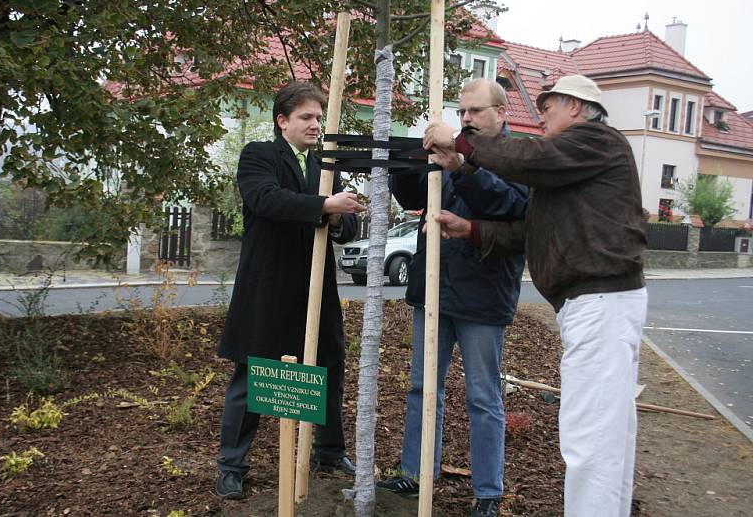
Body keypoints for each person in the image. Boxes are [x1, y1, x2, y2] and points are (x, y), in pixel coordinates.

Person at [423, 74, 648, 517]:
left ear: (577, 108)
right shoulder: (575, 166)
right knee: (608, 434)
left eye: (548, 108)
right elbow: (532, 231)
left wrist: (460, 141)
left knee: (590, 438)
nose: (541, 117)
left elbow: (528, 156)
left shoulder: (593, 142)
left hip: (599, 304)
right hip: (597, 303)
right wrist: (470, 228)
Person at [378, 79, 528, 517]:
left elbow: (505, 206)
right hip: (435, 286)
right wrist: (407, 161)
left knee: (483, 395)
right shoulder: (451, 153)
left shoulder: (515, 158)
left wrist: (461, 163)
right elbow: (416, 199)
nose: (466, 119)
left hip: (482, 294)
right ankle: (417, 470)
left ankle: (487, 492)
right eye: (461, 112)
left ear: (502, 114)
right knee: (422, 387)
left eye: (476, 112)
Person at [215, 81, 366, 499]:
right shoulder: (259, 156)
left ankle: (330, 454)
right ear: (283, 121)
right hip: (269, 287)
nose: (315, 124)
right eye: (306, 117)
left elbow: (349, 223)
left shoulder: (325, 164)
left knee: (329, 366)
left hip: (316, 287)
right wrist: (324, 207)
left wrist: (338, 217)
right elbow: (267, 200)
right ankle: (232, 465)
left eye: (319, 117)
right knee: (253, 373)